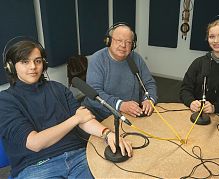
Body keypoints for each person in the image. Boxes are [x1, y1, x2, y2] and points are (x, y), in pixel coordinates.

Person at [0, 39, 133, 179]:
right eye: (25, 62)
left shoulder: (57, 88)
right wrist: (75, 119)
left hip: (78, 156)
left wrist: (107, 133)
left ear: (43, 63)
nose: (33, 66)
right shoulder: (5, 101)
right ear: (11, 67)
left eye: (37, 61)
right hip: (36, 166)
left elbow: (84, 119)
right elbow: (35, 143)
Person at [83, 23, 158, 120]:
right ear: (108, 41)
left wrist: (150, 99)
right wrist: (120, 105)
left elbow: (149, 83)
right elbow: (94, 93)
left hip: (130, 113)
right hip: (100, 115)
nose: (123, 45)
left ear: (133, 45)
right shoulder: (97, 60)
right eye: (119, 40)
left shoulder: (136, 59)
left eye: (128, 42)